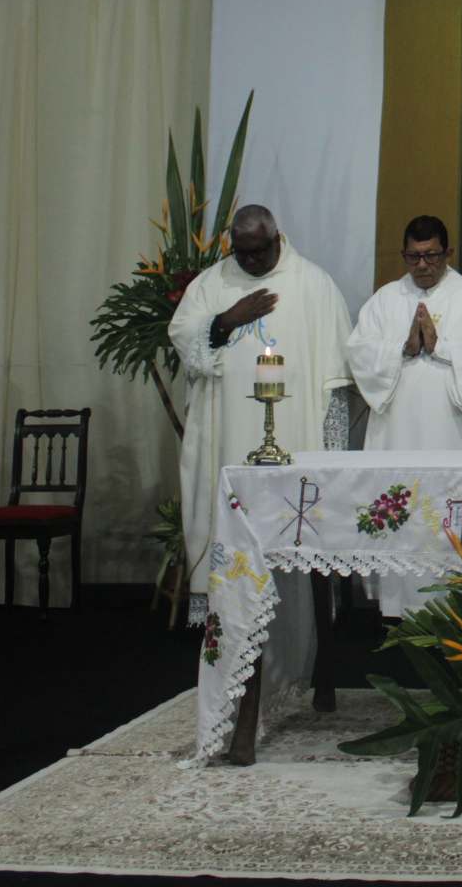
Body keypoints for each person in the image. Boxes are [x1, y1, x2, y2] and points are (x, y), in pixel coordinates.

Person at [168, 205, 355, 624]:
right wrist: (225, 321)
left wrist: (333, 456)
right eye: (242, 253)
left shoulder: (314, 284)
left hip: (296, 438)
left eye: (258, 252)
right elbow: (184, 339)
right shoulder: (211, 284)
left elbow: (336, 382)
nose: (250, 261)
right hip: (228, 437)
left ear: (276, 240)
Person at [346, 215, 462, 614]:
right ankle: (396, 615)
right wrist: (401, 349)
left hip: (455, 436)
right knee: (404, 520)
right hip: (397, 437)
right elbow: (359, 352)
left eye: (431, 256)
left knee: (449, 522)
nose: (422, 265)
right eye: (413, 256)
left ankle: (461, 612)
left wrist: (443, 347)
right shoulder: (385, 300)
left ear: (447, 252)